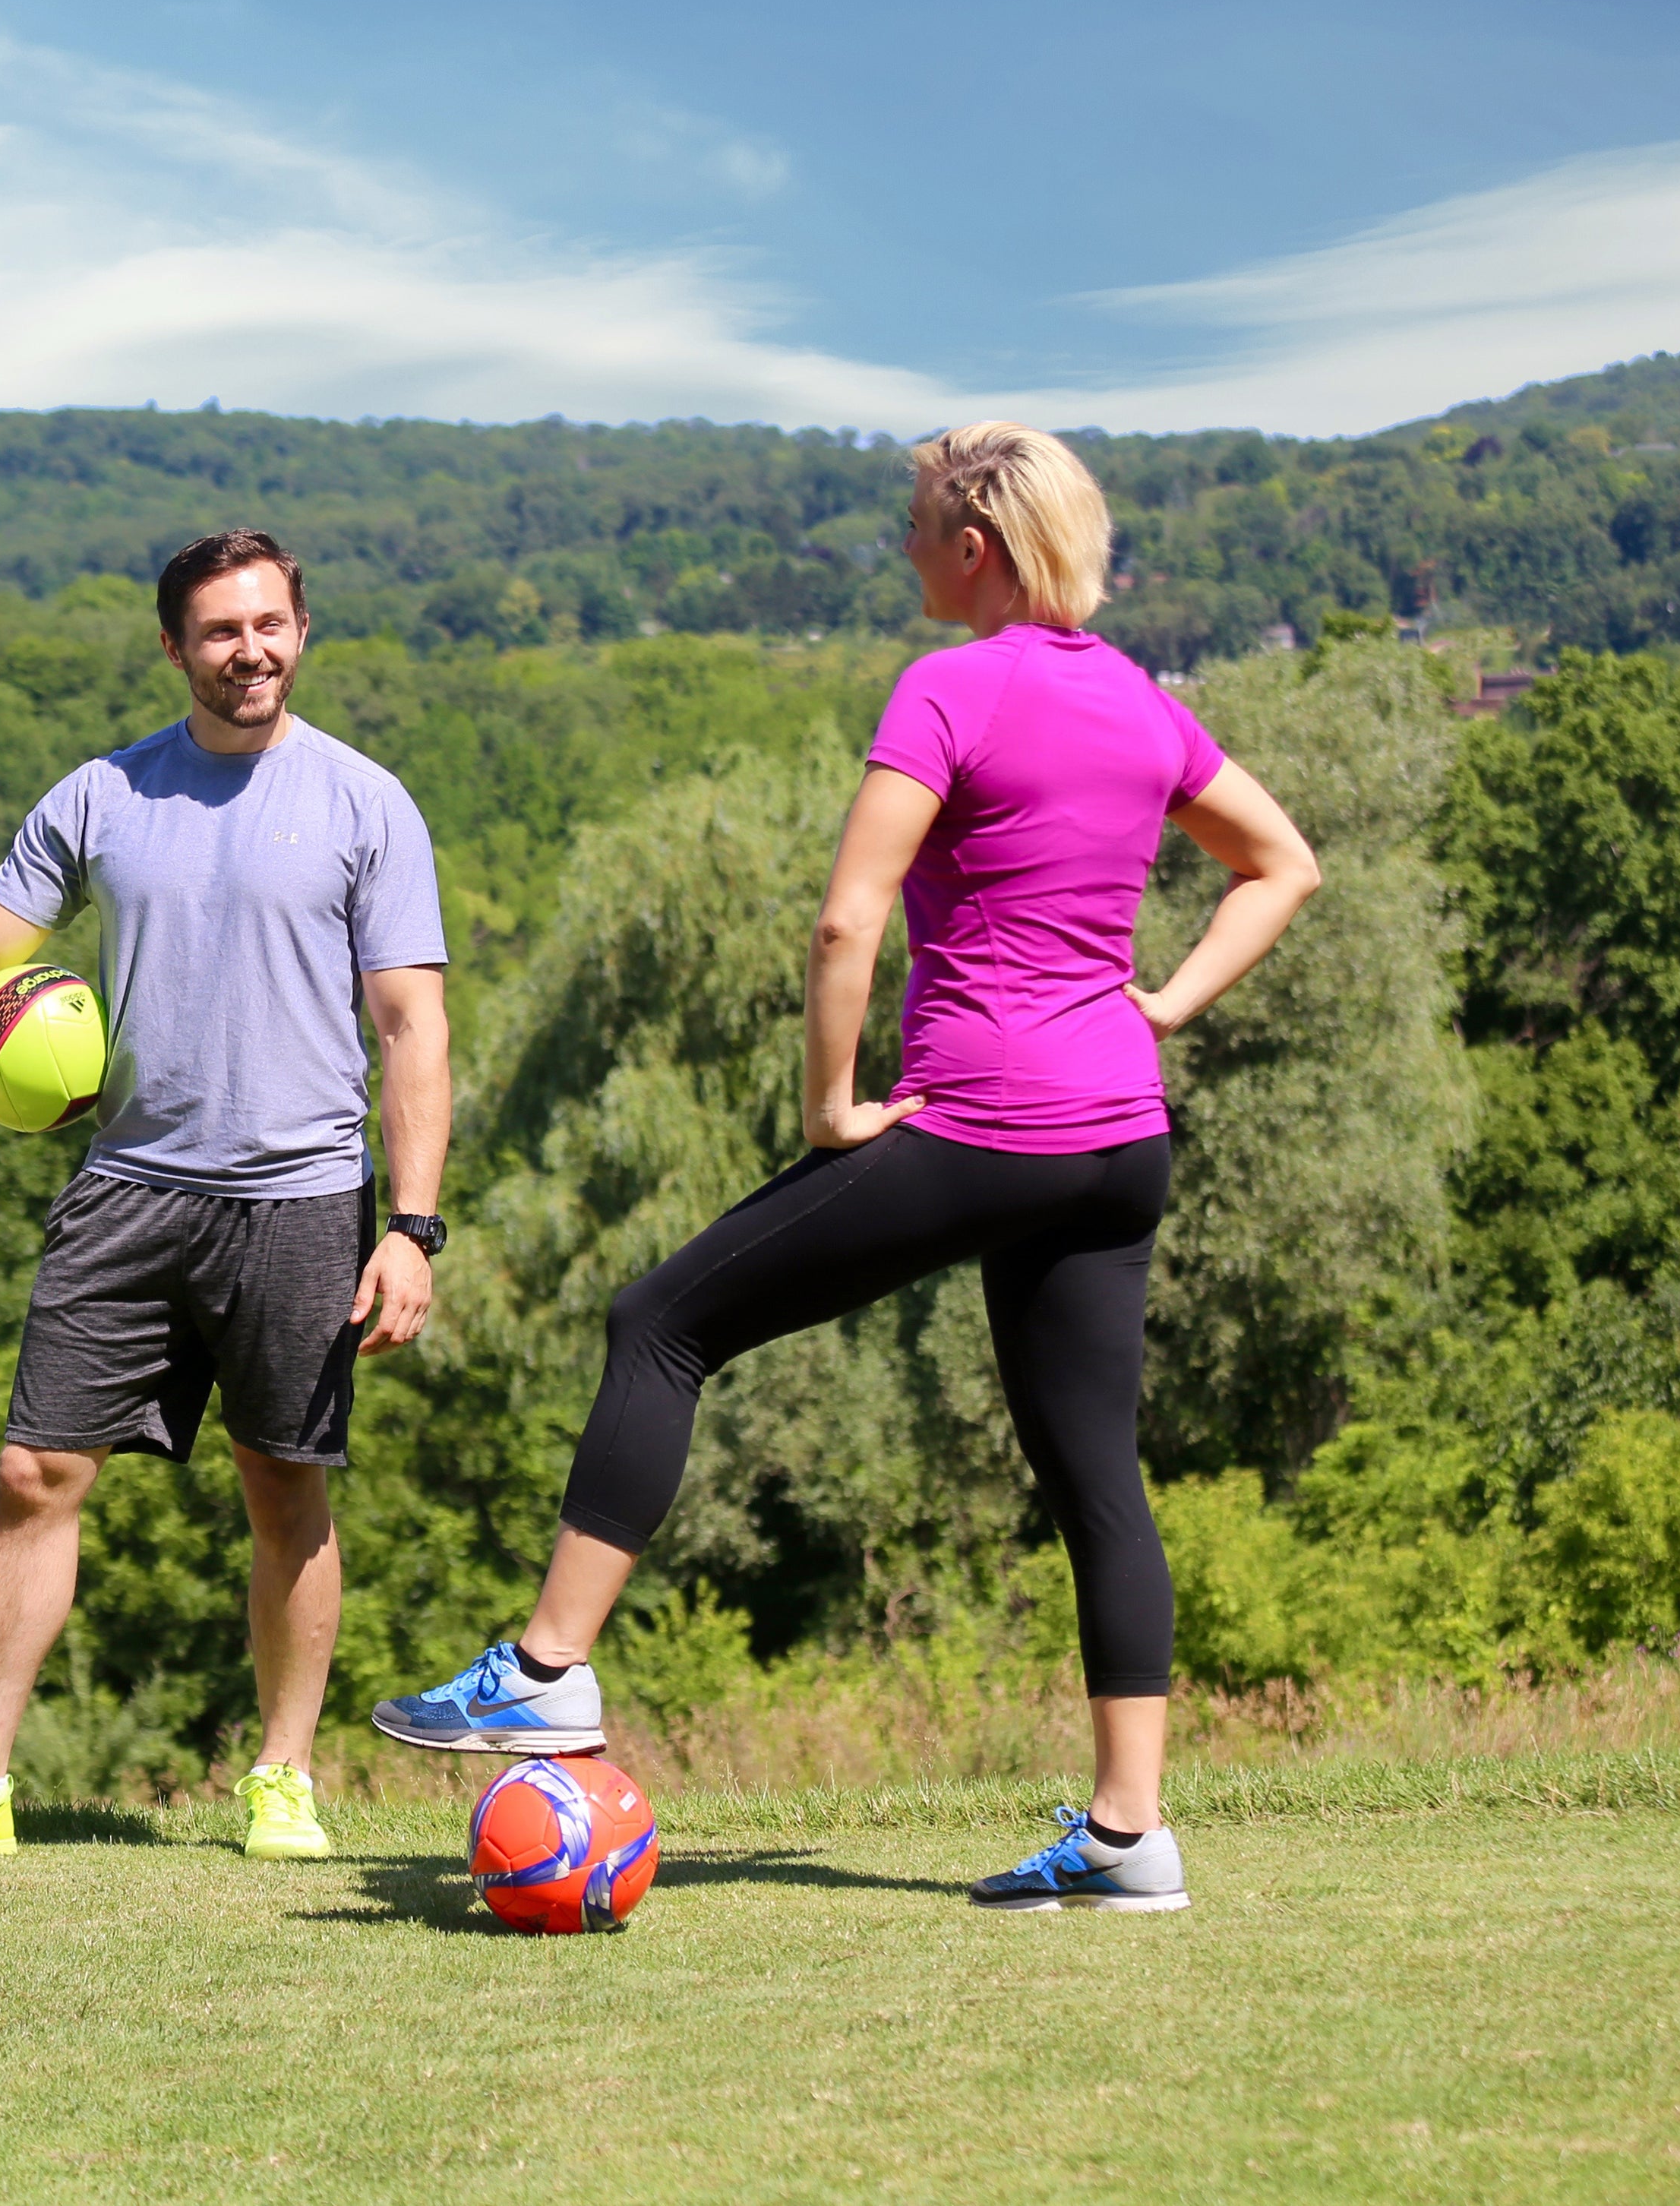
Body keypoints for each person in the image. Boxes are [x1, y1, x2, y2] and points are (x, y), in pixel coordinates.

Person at [373, 423, 1321, 1913]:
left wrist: (829, 1107)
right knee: (1097, 1482)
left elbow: (844, 921)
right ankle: (1132, 1840)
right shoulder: (1144, 703)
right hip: (1118, 1138)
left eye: (917, 524)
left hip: (982, 1125)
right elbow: (1282, 863)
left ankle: (548, 1667)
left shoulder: (949, 687)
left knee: (660, 1324)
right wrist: (1168, 1002)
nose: (902, 549)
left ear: (976, 548)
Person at [0, 529, 454, 1864]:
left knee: (285, 1484)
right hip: (129, 1192)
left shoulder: (366, 803)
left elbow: (410, 1026)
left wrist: (411, 1225)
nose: (252, 651)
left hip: (301, 1199)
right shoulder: (104, 797)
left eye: (272, 624)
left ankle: (283, 1778)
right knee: (32, 1469)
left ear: (303, 629)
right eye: (222, 631)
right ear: (173, 646)